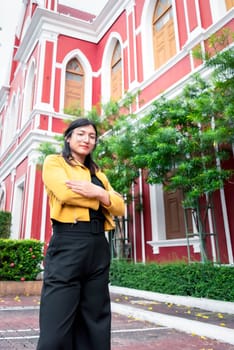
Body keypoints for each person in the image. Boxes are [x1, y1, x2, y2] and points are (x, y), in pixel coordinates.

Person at [37, 118, 125, 350]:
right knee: (56, 325)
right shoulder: (54, 162)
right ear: (68, 137)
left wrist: (98, 192)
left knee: (95, 320)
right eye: (81, 134)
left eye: (92, 136)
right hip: (69, 242)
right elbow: (66, 194)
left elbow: (120, 206)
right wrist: (102, 199)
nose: (87, 139)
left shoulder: (98, 174)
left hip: (98, 245)